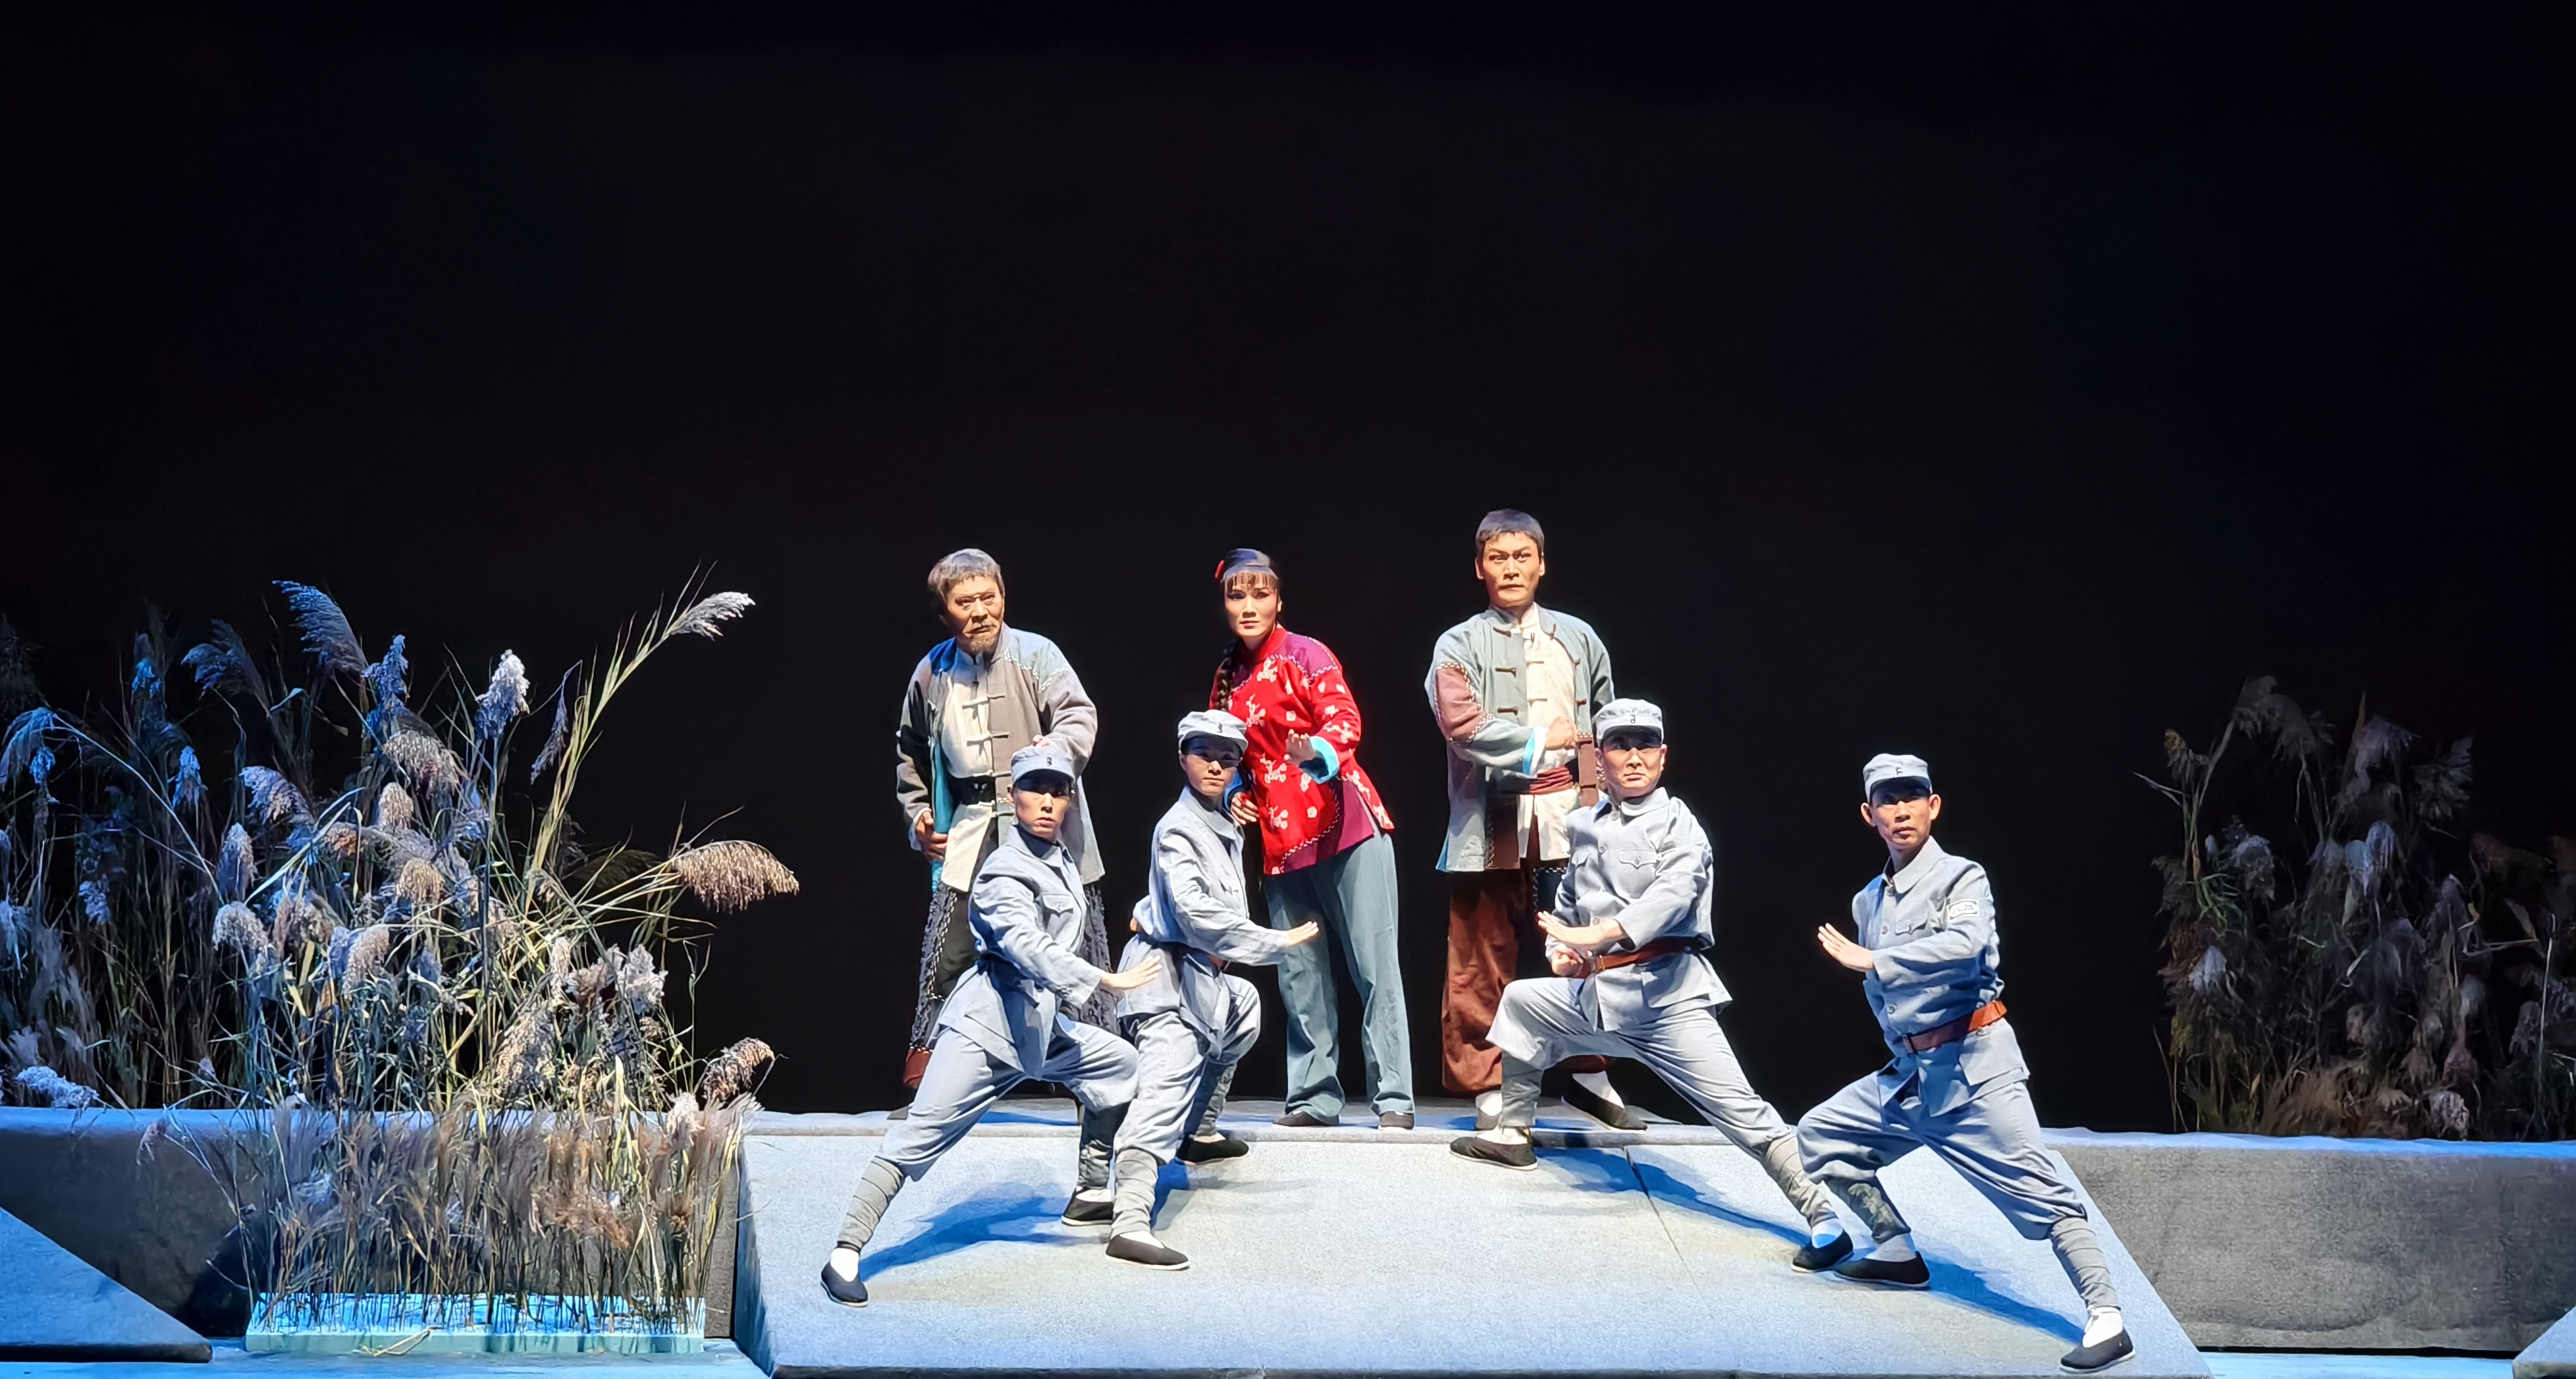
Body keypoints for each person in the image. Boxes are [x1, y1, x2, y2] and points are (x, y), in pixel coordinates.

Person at [1448, 700, 1848, 1265]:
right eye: (1620, 745)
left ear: (1663, 757)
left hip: (1666, 1001)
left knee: (1745, 1115)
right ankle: (1513, 1134)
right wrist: (1564, 952)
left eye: (1645, 746)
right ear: (1601, 758)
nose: (1633, 757)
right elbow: (1569, 905)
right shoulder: (1584, 825)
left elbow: (1673, 897)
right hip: (1598, 998)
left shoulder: (1680, 825)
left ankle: (1824, 1217)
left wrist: (1603, 934)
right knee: (1523, 999)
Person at [1797, 754, 2133, 1374]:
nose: (1901, 810)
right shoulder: (1868, 901)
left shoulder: (1961, 877)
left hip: (1975, 1071)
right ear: (1869, 814)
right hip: (1912, 1077)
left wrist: (1875, 961)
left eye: (1912, 796)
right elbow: (1885, 999)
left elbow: (1965, 946)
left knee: (2044, 1194)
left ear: (1933, 806)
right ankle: (1895, 1250)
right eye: (1887, 800)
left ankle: (2107, 1314)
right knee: (1821, 1134)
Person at [822, 742, 1162, 1307]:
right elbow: (1024, 942)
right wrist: (1103, 979)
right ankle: (845, 1252)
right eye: (1036, 789)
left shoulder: (1061, 862)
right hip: (986, 1030)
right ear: (1013, 796)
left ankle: (1089, 1189)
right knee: (917, 1138)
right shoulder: (1003, 869)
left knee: (1120, 1063)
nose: (1048, 802)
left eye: (1059, 792)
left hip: (1039, 1027)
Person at [892, 549, 1124, 1212]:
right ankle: (924, 1113)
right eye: (964, 602)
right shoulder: (932, 671)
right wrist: (917, 816)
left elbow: (1077, 713)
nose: (979, 612)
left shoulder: (1035, 655)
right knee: (946, 962)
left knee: (1079, 968)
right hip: (970, 833)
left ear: (1003, 596)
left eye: (987, 597)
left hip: (1046, 831)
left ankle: (1097, 1127)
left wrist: (1054, 754)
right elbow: (909, 751)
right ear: (945, 612)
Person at [1424, 510, 1635, 1131]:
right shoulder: (1458, 644)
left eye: (1522, 556)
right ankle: (1488, 1081)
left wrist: (1609, 807)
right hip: (1491, 819)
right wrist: (1541, 740)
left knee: (1584, 945)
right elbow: (1461, 725)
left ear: (1541, 563)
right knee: (1482, 955)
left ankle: (1589, 1069)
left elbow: (1605, 725)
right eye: (1498, 557)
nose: (1511, 568)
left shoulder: (1579, 638)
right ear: (1480, 567)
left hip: (1573, 816)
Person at [1101, 710, 1324, 1269]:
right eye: (1204, 754)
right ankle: (1129, 1222)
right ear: (1183, 758)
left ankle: (1198, 1132)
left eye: (1228, 758)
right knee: (1164, 1088)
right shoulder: (1180, 827)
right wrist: (1272, 941)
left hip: (1201, 974)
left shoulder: (1221, 823)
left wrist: (1148, 907)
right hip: (1165, 980)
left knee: (1244, 1008)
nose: (1217, 766)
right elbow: (1194, 911)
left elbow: (1183, 899)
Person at [1207, 549, 1415, 1129]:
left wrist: (1314, 752)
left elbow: (1344, 720)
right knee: (1300, 976)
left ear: (1279, 600)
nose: (1249, 607)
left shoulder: (1306, 654)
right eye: (1237, 596)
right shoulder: (1228, 677)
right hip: (1281, 840)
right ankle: (1314, 1097)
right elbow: (1223, 753)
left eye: (1260, 595)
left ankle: (1394, 1098)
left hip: (1344, 824)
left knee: (1373, 965)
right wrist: (1234, 792)